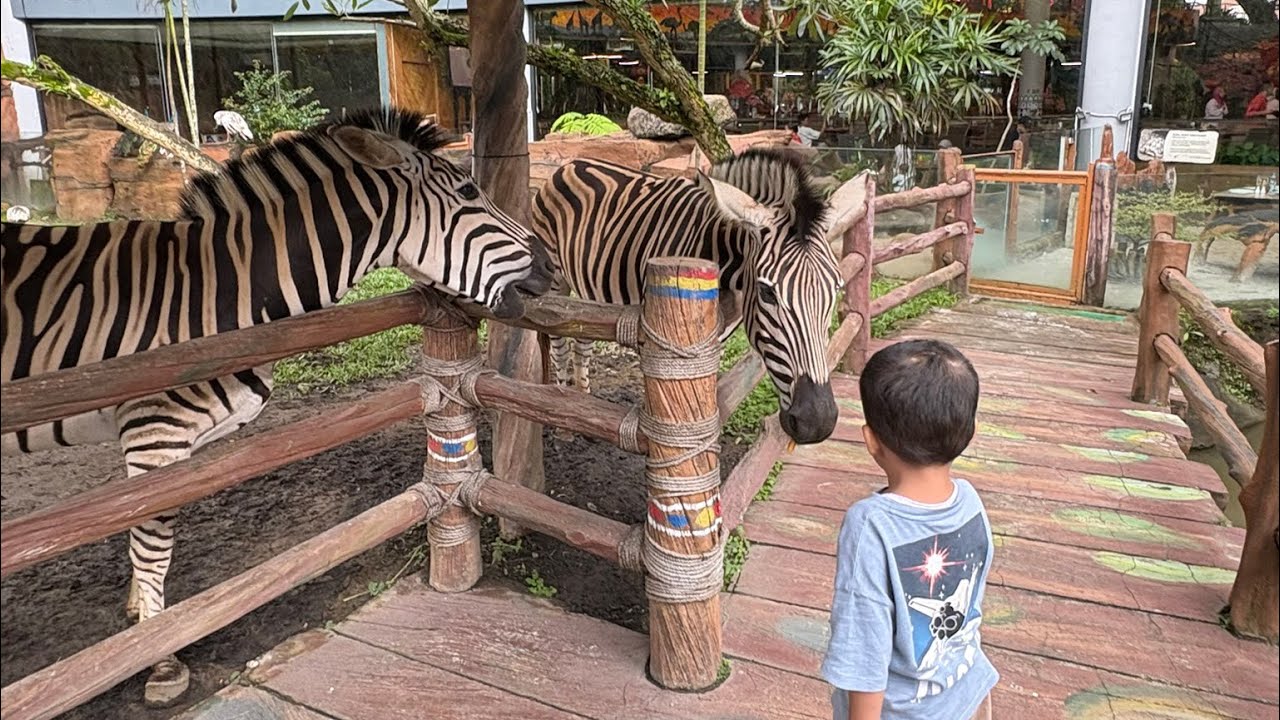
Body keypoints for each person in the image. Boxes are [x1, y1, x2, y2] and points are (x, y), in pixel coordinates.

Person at [821, 339, 998, 720]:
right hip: (968, 696)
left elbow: (863, 648)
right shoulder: (970, 502)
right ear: (970, 432)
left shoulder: (871, 525)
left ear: (870, 440)